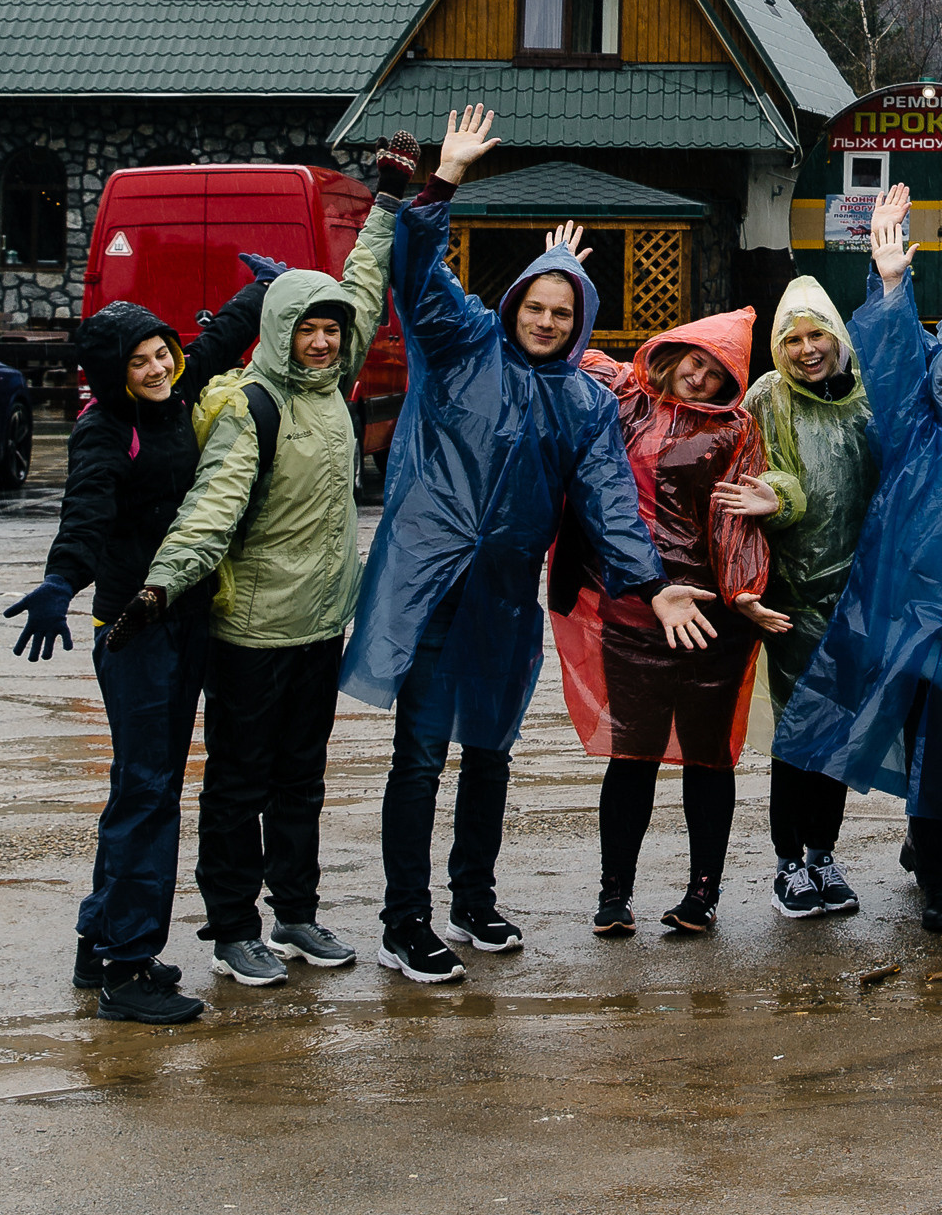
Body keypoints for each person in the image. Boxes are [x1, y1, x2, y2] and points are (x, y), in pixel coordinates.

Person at [339, 107, 698, 985]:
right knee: (421, 753)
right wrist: (444, 184)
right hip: (429, 584)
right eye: (534, 305)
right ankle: (404, 919)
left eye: (561, 309)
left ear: (580, 320)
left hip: (501, 596)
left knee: (491, 751)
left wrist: (651, 583)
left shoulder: (581, 401)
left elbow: (612, 499)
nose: (544, 320)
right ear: (513, 304)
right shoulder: (461, 342)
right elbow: (414, 272)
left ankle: (471, 898)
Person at [129, 184, 405, 987]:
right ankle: (230, 928)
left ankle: (295, 915)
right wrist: (162, 585)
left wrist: (385, 205)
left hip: (320, 628)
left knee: (301, 780)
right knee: (238, 784)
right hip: (252, 635)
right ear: (279, 330)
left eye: (330, 330)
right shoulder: (253, 406)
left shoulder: (332, 393)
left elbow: (361, 285)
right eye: (307, 328)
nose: (322, 341)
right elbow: (213, 508)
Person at [4, 255, 282, 1023]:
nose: (158, 366)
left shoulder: (179, 394)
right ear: (110, 372)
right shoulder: (106, 431)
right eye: (140, 361)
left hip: (188, 617)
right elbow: (85, 514)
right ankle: (128, 971)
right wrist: (63, 582)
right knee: (149, 794)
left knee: (143, 787)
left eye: (161, 352)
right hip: (136, 632)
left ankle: (100, 943)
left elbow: (222, 339)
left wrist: (261, 290)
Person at [775, 192, 942, 935]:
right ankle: (937, 884)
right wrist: (891, 286)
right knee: (928, 766)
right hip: (922, 637)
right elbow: (891, 373)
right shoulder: (916, 443)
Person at [549, 306, 781, 939]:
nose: (700, 378)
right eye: (694, 361)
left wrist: (744, 592)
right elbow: (560, 352)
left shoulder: (738, 431)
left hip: (708, 616)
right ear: (674, 353)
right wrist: (565, 275)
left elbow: (737, 517)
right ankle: (613, 895)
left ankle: (702, 894)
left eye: (716, 371)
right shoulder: (626, 397)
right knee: (633, 754)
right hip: (631, 608)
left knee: (709, 758)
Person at [732, 270, 883, 919]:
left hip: (858, 598)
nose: (806, 348)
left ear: (838, 336)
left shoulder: (866, 400)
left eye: (817, 333)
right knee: (799, 738)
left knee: (838, 739)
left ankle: (823, 854)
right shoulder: (768, 397)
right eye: (791, 339)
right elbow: (752, 478)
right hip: (791, 599)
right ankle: (789, 862)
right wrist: (782, 499)